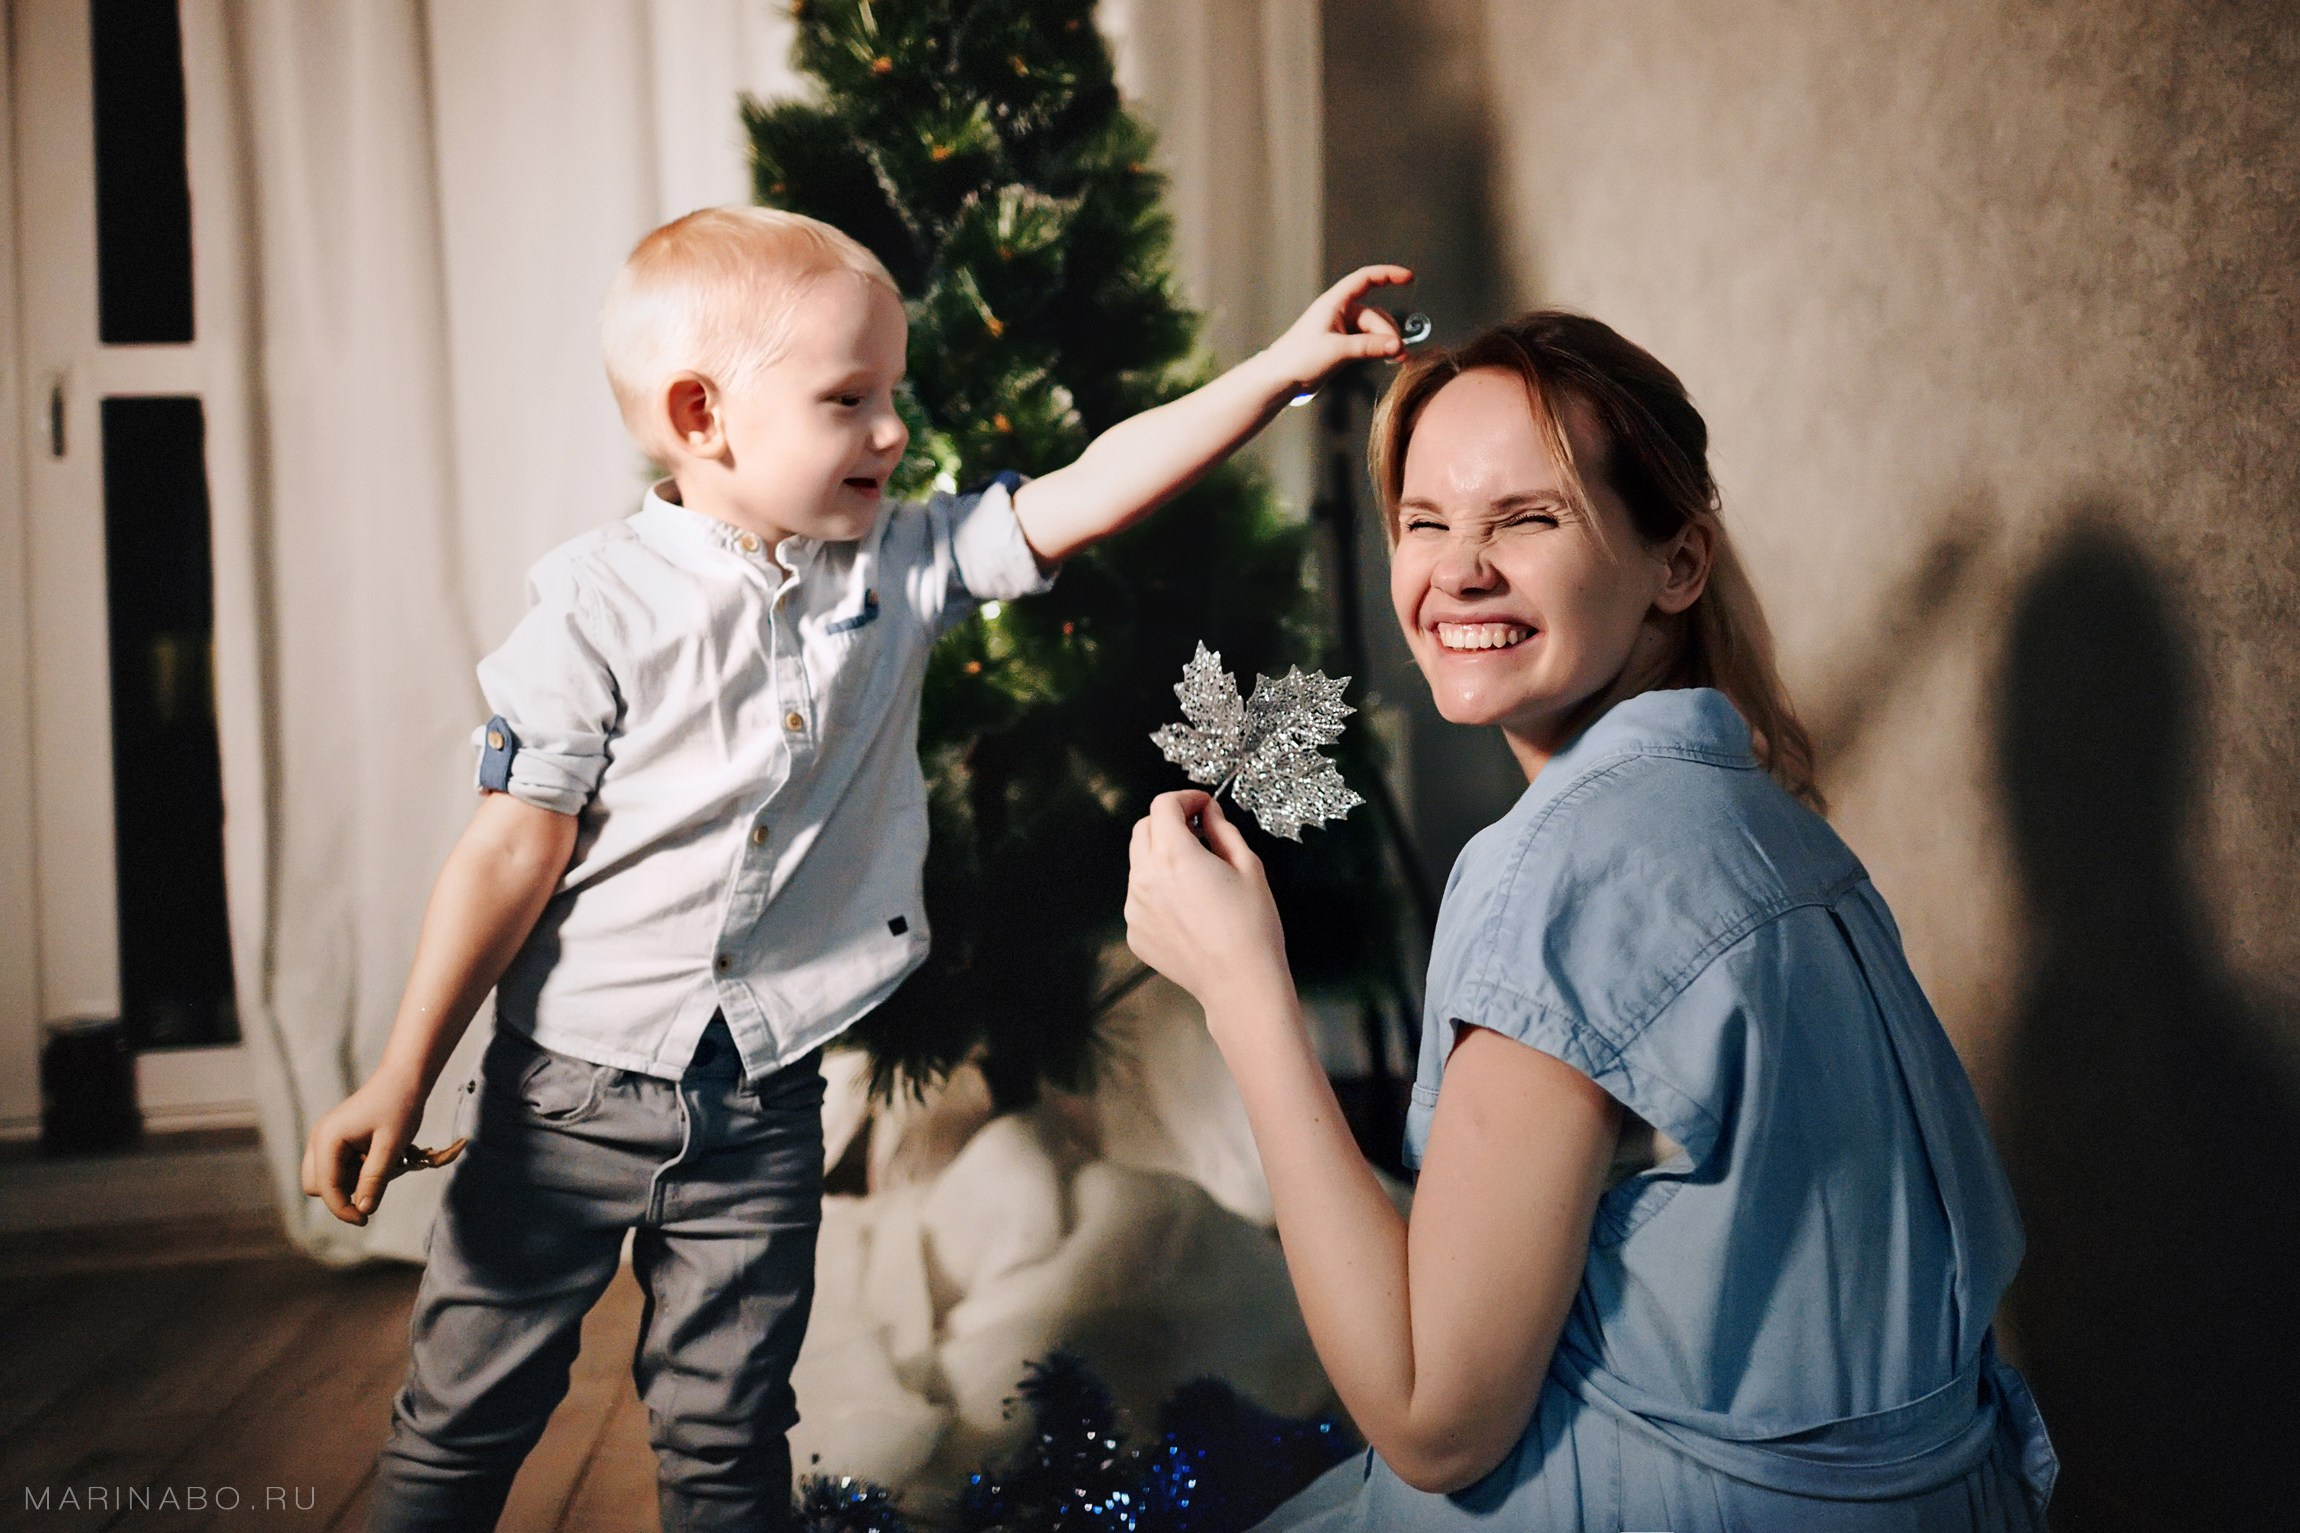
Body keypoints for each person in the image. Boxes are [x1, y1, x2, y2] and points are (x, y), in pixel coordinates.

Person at [299, 204, 1412, 1533]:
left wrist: (1279, 366)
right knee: (467, 1407)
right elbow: (508, 849)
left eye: (893, 394)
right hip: (570, 1093)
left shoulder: (902, 562)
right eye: (851, 399)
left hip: (767, 1097)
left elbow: (1085, 488)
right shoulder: (594, 608)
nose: (894, 431)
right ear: (704, 416)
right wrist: (400, 1070)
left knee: (727, 1424)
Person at [1123, 312, 2058, 1530]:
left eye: (1527, 517)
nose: (1457, 569)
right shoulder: (1765, 821)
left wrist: (1244, 996)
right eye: (1424, 520)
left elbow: (1432, 1423)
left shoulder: (1568, 869)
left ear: (1676, 564)